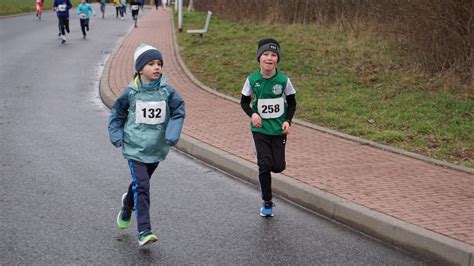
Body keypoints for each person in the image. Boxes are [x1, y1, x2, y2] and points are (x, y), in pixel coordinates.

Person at [108, 43, 186, 246]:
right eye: (151, 63)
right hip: (134, 147)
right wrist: (116, 135)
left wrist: (172, 132)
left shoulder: (167, 91)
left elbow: (178, 110)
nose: (156, 67)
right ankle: (144, 231)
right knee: (143, 186)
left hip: (157, 147)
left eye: (159, 63)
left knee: (139, 185)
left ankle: (127, 204)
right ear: (140, 68)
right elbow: (117, 114)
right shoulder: (131, 92)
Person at [240, 38, 297, 217]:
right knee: (264, 165)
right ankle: (267, 201)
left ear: (277, 59)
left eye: (273, 55)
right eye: (265, 54)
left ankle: (275, 162)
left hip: (278, 129)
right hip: (260, 129)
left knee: (278, 166)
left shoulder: (283, 80)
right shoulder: (252, 79)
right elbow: (244, 102)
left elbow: (293, 102)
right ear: (259, 58)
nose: (269, 58)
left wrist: (288, 120)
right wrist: (253, 114)